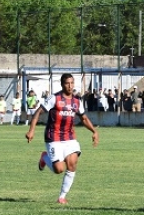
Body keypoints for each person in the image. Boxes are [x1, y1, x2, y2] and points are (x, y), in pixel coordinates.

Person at [26, 73, 99, 205]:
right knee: (59, 169)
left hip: (69, 138)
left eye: (72, 83)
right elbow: (38, 112)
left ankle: (62, 197)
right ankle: (44, 157)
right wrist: (31, 130)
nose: (70, 86)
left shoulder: (77, 101)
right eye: (67, 83)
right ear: (62, 84)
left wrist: (94, 131)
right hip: (53, 137)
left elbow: (84, 118)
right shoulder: (54, 98)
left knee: (72, 164)